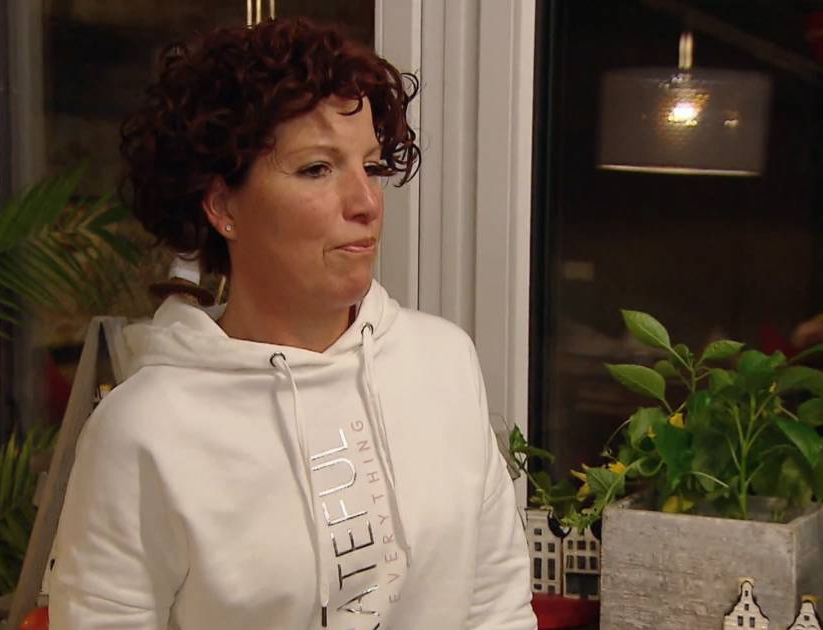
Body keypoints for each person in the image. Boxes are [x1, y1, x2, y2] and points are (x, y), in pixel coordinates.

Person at [47, 18, 537, 629]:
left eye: (371, 166)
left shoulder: (444, 364)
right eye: (317, 169)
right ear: (222, 205)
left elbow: (497, 607)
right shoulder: (144, 431)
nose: (366, 202)